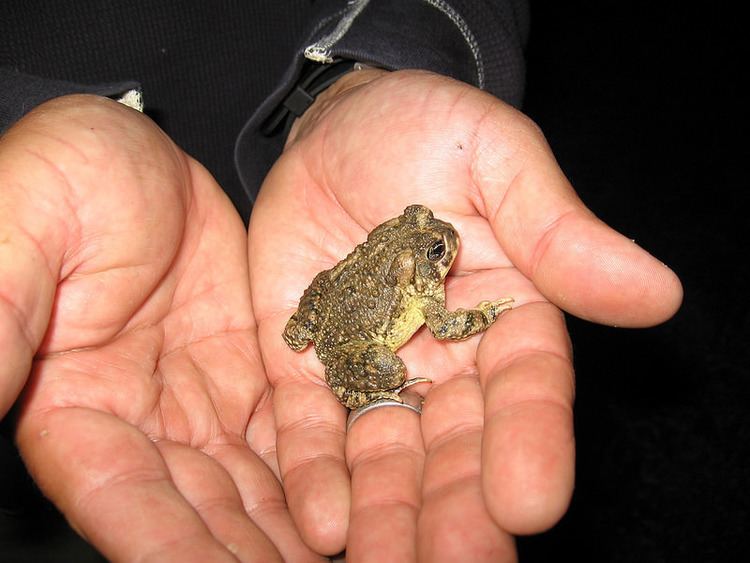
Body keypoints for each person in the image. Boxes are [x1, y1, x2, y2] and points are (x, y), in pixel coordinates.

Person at [0, 1, 683, 560]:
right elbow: (444, 324)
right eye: (434, 245)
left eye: (432, 234)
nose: (443, 243)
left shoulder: (403, 263)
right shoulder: (422, 289)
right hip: (333, 325)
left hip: (311, 282)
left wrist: (365, 70)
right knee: (378, 366)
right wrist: (486, 313)